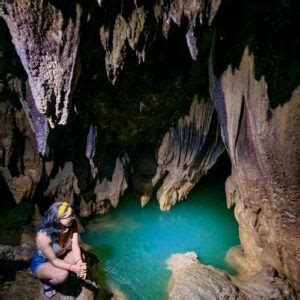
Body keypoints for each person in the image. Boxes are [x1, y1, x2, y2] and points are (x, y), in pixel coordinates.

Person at [30, 201, 87, 298]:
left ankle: (72, 268)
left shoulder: (72, 224)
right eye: (69, 216)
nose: (73, 217)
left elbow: (75, 246)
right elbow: (53, 260)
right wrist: (73, 268)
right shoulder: (43, 236)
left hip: (60, 256)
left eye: (72, 214)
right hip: (42, 262)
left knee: (80, 257)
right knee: (62, 275)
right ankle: (47, 282)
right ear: (57, 219)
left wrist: (79, 264)